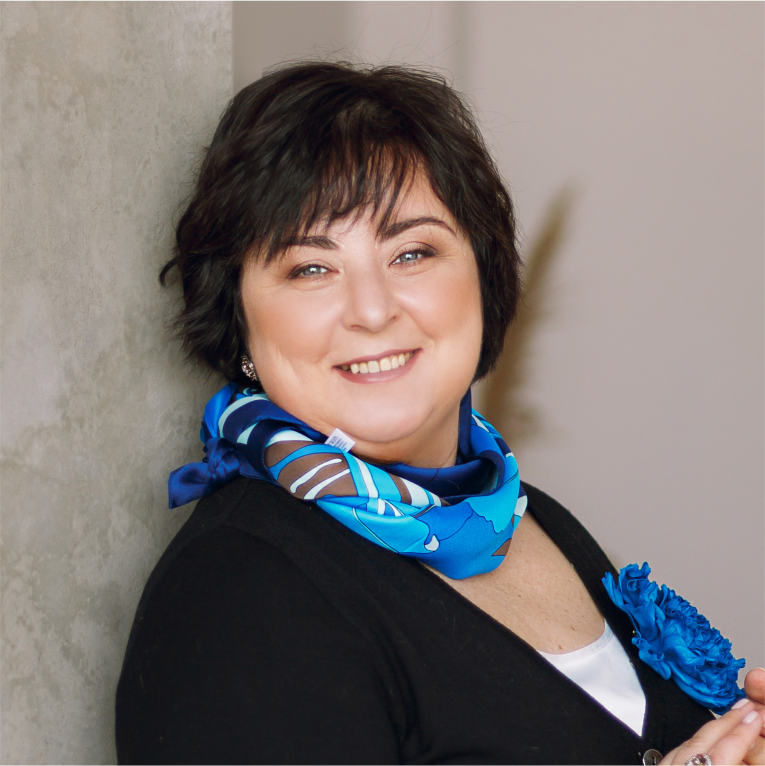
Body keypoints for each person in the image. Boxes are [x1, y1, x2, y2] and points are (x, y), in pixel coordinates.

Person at [115, 61, 765, 766]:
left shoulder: (524, 515)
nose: (371, 310)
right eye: (311, 268)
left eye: (412, 252)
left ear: (483, 277)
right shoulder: (236, 592)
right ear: (239, 322)